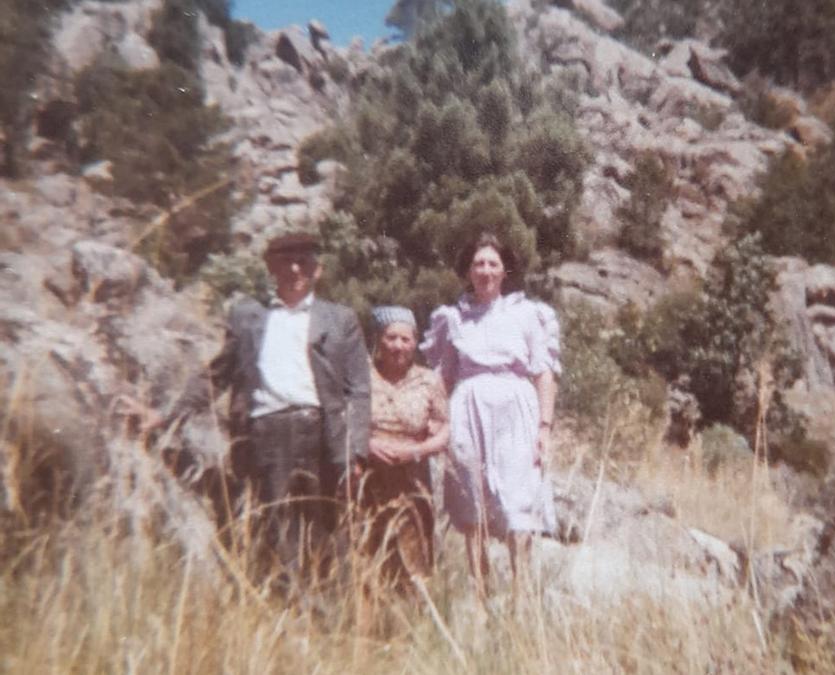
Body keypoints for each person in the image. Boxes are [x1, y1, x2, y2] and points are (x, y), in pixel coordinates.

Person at [125, 232, 371, 583]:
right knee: (277, 528)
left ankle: (328, 619)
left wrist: (355, 452)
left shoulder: (339, 318)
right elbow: (216, 376)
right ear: (271, 267)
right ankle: (290, 618)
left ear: (318, 270)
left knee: (326, 528)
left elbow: (359, 389)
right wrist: (166, 416)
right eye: (286, 261)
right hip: (267, 435)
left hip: (320, 435)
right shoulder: (248, 316)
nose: (295, 268)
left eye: (304, 260)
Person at [420, 232, 560, 597]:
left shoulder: (528, 314)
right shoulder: (454, 319)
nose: (484, 271)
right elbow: (443, 377)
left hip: (517, 412)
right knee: (471, 502)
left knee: (519, 501)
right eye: (477, 264)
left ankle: (522, 592)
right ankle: (480, 592)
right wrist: (434, 420)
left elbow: (544, 372)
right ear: (468, 271)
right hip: (467, 412)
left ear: (505, 270)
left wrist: (545, 426)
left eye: (492, 264)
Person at [356, 305, 448, 589]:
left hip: (413, 478)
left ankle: (414, 621)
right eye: (390, 337)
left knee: (414, 555)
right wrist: (366, 443)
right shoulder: (361, 376)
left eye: (405, 339)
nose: (398, 346)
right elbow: (342, 420)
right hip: (367, 477)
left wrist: (416, 451)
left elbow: (445, 428)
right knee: (366, 552)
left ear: (415, 343)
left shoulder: (429, 380)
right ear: (378, 340)